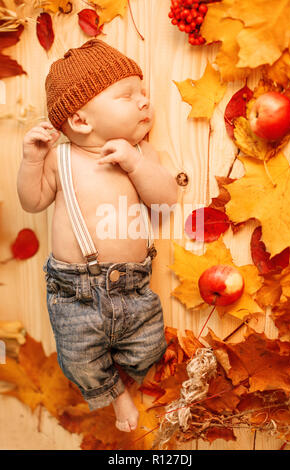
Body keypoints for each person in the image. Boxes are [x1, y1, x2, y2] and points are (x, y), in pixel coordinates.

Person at [17, 39, 178, 432]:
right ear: (82, 121)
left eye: (143, 93)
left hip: (133, 287)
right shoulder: (61, 158)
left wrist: (136, 164)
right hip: (75, 291)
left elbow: (166, 199)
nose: (144, 102)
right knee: (77, 358)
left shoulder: (142, 153)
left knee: (149, 347)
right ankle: (112, 392)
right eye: (128, 95)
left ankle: (124, 376)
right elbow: (33, 202)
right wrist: (33, 159)